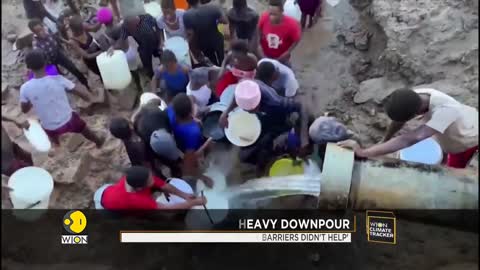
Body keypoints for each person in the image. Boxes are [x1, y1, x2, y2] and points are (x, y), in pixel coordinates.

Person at [338, 88, 479, 169]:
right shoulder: (415, 96)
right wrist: (384, 140)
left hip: (466, 137)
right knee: (439, 148)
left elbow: (411, 139)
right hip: (449, 128)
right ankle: (443, 157)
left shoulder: (446, 111)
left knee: (453, 169)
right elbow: (398, 121)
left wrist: (363, 152)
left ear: (417, 113)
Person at [19, 50, 104, 147]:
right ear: (45, 63)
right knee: (85, 130)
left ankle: (59, 145)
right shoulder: (58, 79)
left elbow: (24, 110)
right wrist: (90, 98)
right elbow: (82, 93)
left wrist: (32, 99)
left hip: (49, 127)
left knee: (55, 140)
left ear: (28, 68)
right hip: (68, 120)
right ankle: (98, 142)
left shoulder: (25, 88)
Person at [96, 166, 206, 210]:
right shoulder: (138, 200)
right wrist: (193, 203)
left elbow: (164, 186)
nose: (153, 181)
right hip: (105, 206)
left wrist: (185, 195)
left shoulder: (136, 176)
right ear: (139, 188)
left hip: (106, 189)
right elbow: (166, 208)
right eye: (150, 181)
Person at [29, 19, 91, 90]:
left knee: (72, 68)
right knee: (57, 77)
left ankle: (86, 84)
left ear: (43, 26)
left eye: (41, 29)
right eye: (38, 31)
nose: (41, 32)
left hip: (57, 53)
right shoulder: (35, 44)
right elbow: (40, 58)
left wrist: (66, 43)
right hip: (48, 60)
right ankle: (65, 88)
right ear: (34, 32)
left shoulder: (47, 30)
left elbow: (57, 38)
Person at [98, 8, 142, 92]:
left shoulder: (104, 34)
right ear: (112, 17)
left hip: (119, 57)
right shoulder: (121, 27)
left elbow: (105, 49)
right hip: (128, 52)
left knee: (126, 70)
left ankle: (129, 81)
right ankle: (139, 86)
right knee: (134, 70)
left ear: (102, 23)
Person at [111, 14, 163, 78]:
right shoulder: (126, 27)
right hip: (143, 45)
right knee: (146, 63)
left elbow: (158, 27)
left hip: (154, 40)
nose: (130, 31)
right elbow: (122, 39)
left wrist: (160, 42)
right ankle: (151, 76)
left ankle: (164, 70)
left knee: (161, 55)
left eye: (131, 29)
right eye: (129, 29)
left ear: (136, 24)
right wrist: (113, 47)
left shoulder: (147, 18)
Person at [183, 0, 229, 67]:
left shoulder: (187, 15)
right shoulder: (213, 7)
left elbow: (190, 34)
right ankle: (223, 70)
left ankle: (216, 72)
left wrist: (192, 49)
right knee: (222, 59)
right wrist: (216, 22)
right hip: (217, 40)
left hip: (203, 44)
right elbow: (225, 21)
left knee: (212, 63)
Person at [258, 0, 302, 66]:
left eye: (274, 14)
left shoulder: (292, 25)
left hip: (282, 58)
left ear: (282, 12)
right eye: (270, 13)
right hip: (265, 55)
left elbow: (296, 40)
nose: (271, 17)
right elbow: (257, 31)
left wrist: (288, 52)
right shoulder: (263, 18)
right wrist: (259, 47)